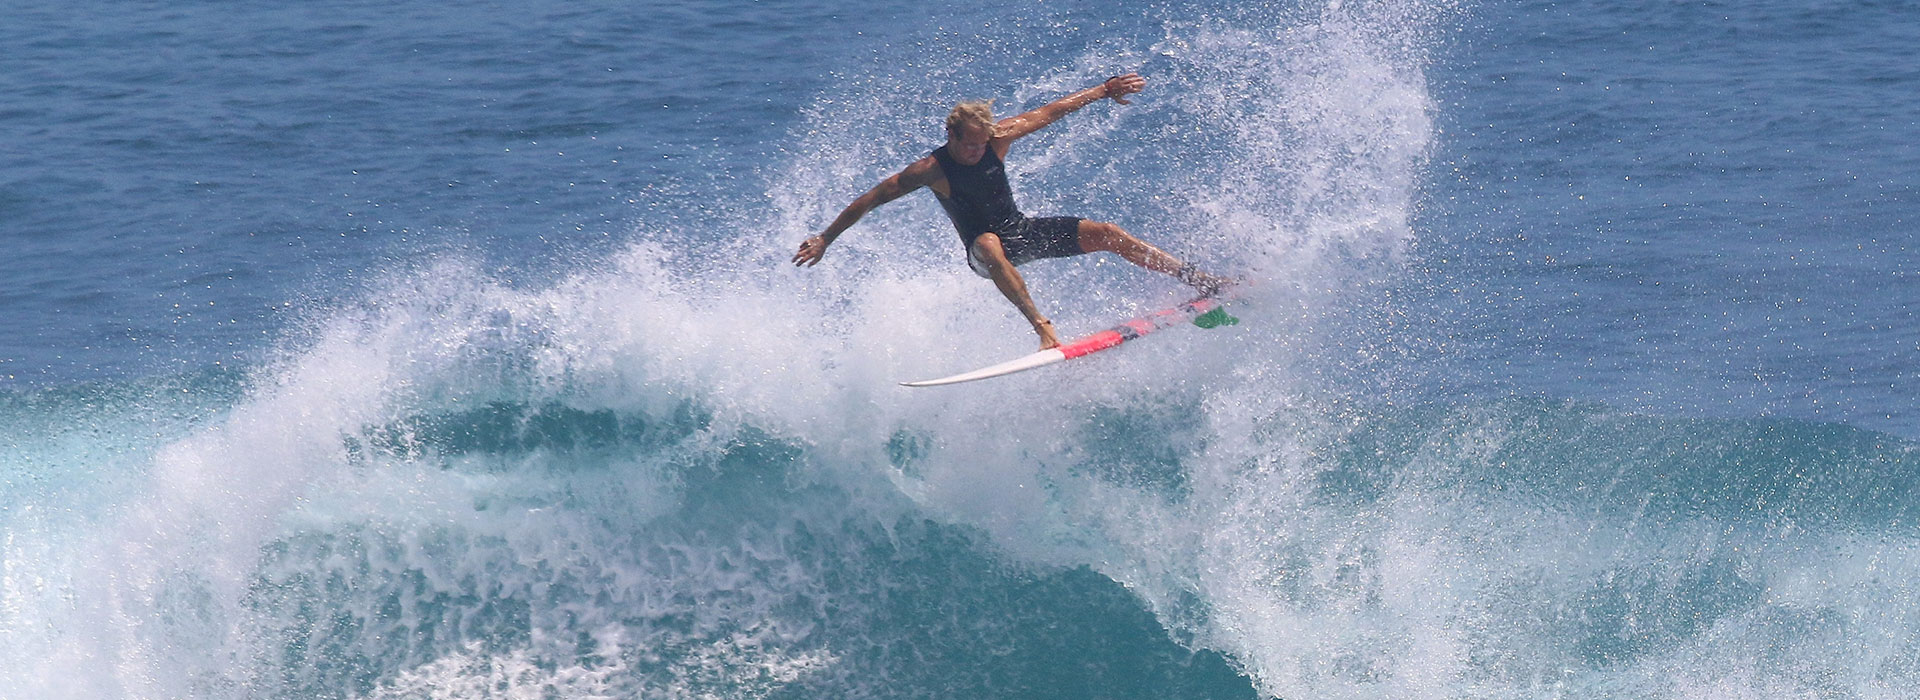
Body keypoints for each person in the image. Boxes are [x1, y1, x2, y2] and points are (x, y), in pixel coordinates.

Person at [791, 73, 1232, 349]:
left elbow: (1051, 112)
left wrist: (1104, 90)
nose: (974, 150)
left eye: (981, 143)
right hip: (984, 255)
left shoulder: (996, 139)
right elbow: (869, 199)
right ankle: (1042, 327)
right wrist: (825, 238)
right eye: (967, 142)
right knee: (987, 240)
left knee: (1107, 232)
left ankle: (1198, 278)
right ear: (950, 133)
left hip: (1021, 232)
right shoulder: (929, 170)